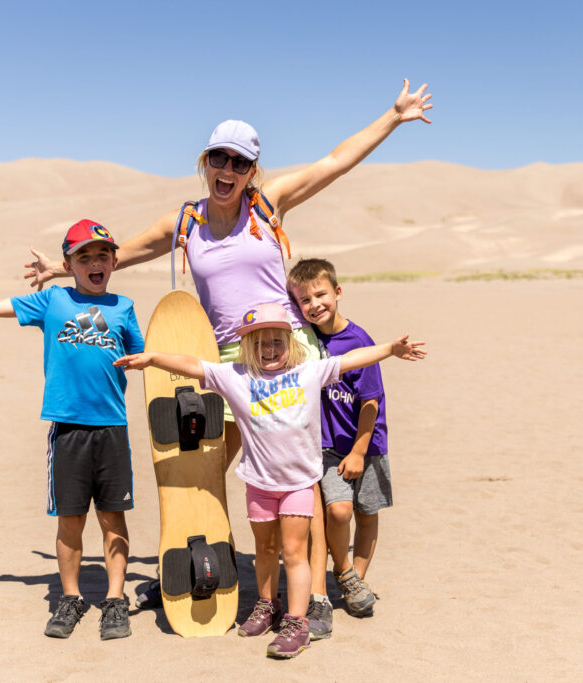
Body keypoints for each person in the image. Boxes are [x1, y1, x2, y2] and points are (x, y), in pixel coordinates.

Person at [24, 77, 433, 631]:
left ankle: (309, 598)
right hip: (224, 360)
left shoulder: (269, 206)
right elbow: (119, 255)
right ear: (205, 160)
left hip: (284, 355)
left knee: (299, 476)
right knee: (206, 468)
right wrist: (56, 269)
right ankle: (200, 571)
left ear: (252, 172)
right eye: (219, 157)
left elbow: (335, 163)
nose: (228, 170)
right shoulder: (185, 223)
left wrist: (394, 114)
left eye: (240, 163)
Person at [113, 303, 425, 658]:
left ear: (289, 343)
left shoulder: (309, 372)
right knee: (265, 551)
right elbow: (194, 365)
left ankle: (296, 622)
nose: (270, 349)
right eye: (261, 342)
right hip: (259, 484)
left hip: (297, 485)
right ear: (249, 347)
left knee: (294, 553)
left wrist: (390, 349)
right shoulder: (237, 376)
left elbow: (353, 359)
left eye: (277, 341)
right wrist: (152, 358)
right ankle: (266, 605)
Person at [0, 219, 145, 641]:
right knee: (70, 522)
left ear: (113, 262)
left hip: (112, 429)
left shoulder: (124, 308)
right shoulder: (51, 300)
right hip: (68, 430)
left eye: (102, 255)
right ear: (68, 264)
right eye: (84, 256)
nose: (95, 263)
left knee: (113, 520)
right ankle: (70, 598)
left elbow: (145, 358)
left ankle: (114, 600)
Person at [288, 257, 396, 619]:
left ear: (337, 291)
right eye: (304, 300)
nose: (314, 305)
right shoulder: (304, 339)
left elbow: (370, 403)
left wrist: (360, 452)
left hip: (367, 443)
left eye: (321, 295)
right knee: (338, 511)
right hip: (328, 447)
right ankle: (345, 571)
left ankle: (354, 582)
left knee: (367, 514)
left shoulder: (357, 340)